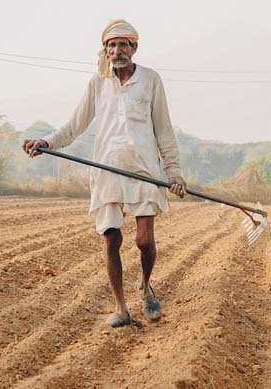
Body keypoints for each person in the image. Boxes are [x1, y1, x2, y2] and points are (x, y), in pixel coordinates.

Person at [22, 19, 187, 328]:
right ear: (105, 50)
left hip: (144, 169)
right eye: (111, 46)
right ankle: (121, 308)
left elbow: (164, 129)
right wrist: (47, 142)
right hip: (107, 170)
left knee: (144, 240)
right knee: (111, 239)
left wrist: (174, 172)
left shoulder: (151, 80)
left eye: (123, 45)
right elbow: (74, 125)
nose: (117, 51)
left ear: (134, 48)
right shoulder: (97, 83)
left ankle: (145, 286)